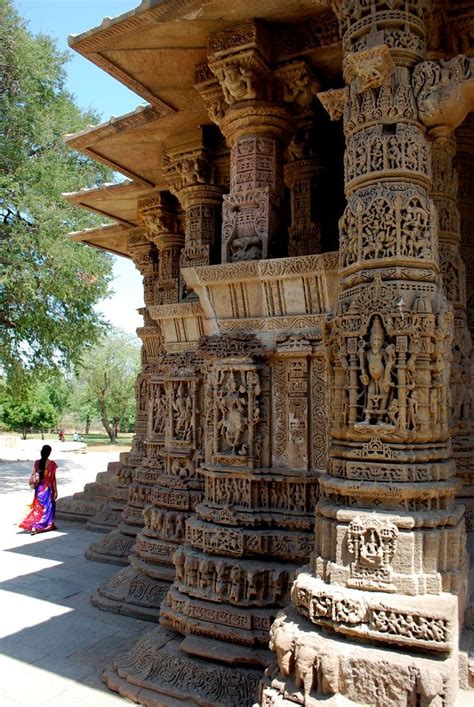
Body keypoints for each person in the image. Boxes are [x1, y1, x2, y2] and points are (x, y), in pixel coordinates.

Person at [20, 445, 58, 535]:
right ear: (49, 453)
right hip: (47, 489)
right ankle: (46, 524)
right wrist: (56, 490)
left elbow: (33, 474)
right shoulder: (52, 464)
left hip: (39, 489)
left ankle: (34, 525)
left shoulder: (37, 462)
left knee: (38, 509)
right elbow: (53, 479)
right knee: (48, 507)